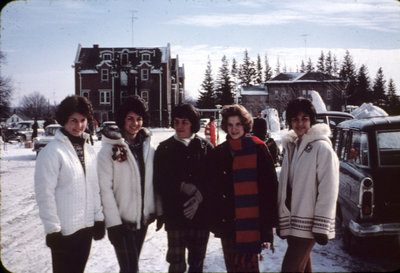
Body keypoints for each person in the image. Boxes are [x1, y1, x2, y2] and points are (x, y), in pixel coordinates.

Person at [34, 95, 105, 273]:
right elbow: (45, 194)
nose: (78, 126)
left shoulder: (88, 150)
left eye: (82, 120)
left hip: (86, 229)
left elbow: (94, 187)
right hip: (64, 232)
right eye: (73, 120)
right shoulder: (52, 152)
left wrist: (98, 218)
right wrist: (53, 230)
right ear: (64, 120)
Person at [208, 104, 278, 273]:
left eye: (238, 124)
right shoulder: (219, 152)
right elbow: (213, 190)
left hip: (250, 223)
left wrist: (267, 224)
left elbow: (270, 189)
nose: (234, 129)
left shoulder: (258, 148)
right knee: (232, 268)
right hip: (228, 223)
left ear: (245, 125)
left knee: (249, 268)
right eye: (230, 125)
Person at [97, 96, 160, 273]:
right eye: (130, 118)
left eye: (139, 119)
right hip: (121, 222)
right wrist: (114, 224)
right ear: (122, 119)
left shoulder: (148, 148)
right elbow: (105, 190)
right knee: (131, 269)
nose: (135, 123)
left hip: (141, 220)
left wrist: (158, 209)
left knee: (130, 268)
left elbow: (153, 182)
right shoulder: (108, 150)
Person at [277, 97, 339, 273]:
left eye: (304, 118)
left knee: (290, 268)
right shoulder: (292, 146)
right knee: (303, 268)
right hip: (294, 220)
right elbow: (286, 186)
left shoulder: (322, 148)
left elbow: (329, 188)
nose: (300, 124)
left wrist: (322, 225)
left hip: (309, 223)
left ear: (311, 120)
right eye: (295, 119)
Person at [154, 104, 214, 273]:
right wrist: (181, 186)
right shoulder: (164, 149)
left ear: (193, 124)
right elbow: (159, 181)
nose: (179, 126)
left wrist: (199, 197)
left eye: (184, 122)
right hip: (175, 217)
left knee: (197, 264)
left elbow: (214, 180)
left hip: (201, 218)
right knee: (177, 264)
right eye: (176, 122)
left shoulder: (206, 148)